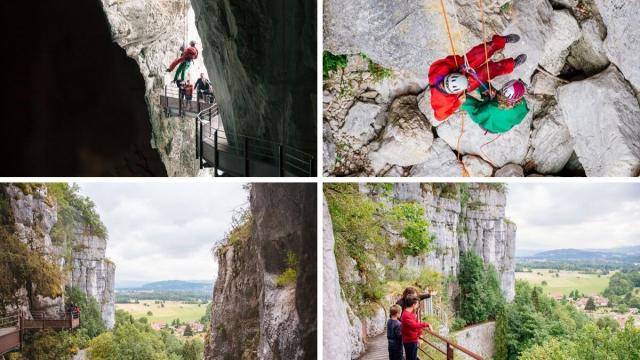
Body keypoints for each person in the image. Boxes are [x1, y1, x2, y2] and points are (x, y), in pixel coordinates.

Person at [429, 34, 527, 121]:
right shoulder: (442, 102)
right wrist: (458, 103)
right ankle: (512, 64)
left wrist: (460, 64)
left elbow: (449, 61)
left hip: (458, 67)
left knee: (480, 53)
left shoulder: (438, 72)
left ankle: (501, 41)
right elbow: (439, 117)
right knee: (487, 72)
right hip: (463, 89)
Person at [461, 79, 529, 134]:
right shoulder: (522, 104)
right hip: (501, 127)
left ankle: (462, 92)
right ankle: (475, 79)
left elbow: (476, 114)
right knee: (488, 90)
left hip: (487, 125)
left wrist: (464, 101)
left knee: (466, 101)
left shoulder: (491, 108)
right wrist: (495, 95)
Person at [401, 295, 432, 360]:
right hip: (409, 341)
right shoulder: (406, 315)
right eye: (417, 304)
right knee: (411, 358)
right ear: (413, 304)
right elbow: (414, 325)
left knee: (412, 357)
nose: (418, 305)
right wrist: (427, 324)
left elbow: (415, 325)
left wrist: (419, 335)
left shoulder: (409, 313)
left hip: (411, 340)